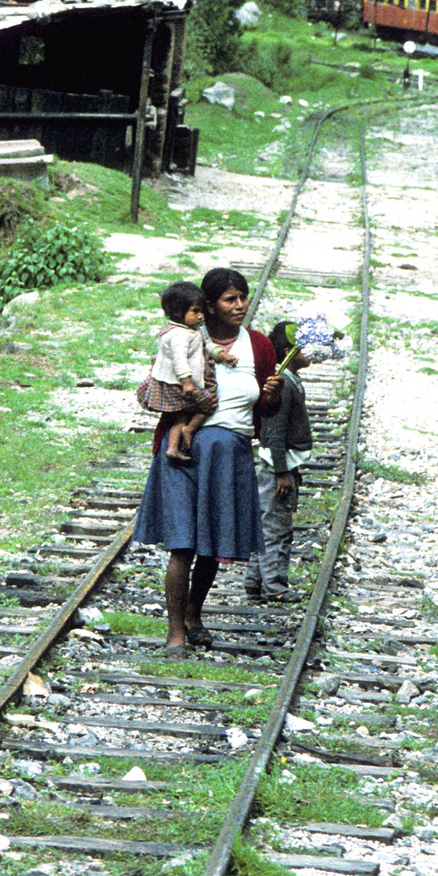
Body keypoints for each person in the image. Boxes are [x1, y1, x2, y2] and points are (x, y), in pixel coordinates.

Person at [132, 267, 281, 657]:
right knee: (182, 545)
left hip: (228, 452)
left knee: (212, 544)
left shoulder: (260, 346)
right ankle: (175, 632)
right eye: (230, 299)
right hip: (185, 451)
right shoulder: (183, 339)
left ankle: (194, 616)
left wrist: (274, 395)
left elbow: (265, 410)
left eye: (243, 297)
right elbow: (162, 388)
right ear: (209, 306)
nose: (240, 305)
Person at [245, 321, 314, 603]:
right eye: (305, 348)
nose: (311, 353)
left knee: (267, 522)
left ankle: (254, 580)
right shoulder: (282, 385)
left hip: (281, 464)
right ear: (289, 351)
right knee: (277, 526)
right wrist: (282, 471)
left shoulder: (287, 380)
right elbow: (273, 431)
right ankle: (275, 585)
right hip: (278, 466)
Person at [136, 280, 237, 463]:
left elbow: (208, 345)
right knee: (209, 402)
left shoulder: (192, 329)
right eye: (195, 311)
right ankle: (190, 429)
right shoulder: (178, 335)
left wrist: (222, 355)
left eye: (201, 311)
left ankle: (173, 447)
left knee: (180, 416)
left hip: (180, 382)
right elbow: (179, 360)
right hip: (177, 383)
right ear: (177, 312)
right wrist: (187, 382)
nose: (200, 316)